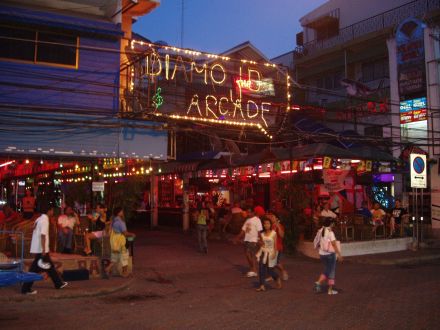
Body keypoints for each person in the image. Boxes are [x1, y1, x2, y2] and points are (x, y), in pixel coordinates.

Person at [21, 206, 67, 294]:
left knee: (49, 266)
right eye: (52, 209)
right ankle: (25, 288)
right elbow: (43, 235)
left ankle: (58, 283)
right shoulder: (45, 220)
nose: (53, 211)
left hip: (40, 248)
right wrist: (43, 250)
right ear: (49, 210)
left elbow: (35, 229)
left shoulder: (39, 219)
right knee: (35, 269)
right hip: (41, 249)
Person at [314, 217, 343, 295]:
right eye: (333, 223)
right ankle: (330, 290)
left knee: (327, 269)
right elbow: (333, 244)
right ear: (331, 224)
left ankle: (318, 283)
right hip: (330, 254)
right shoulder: (330, 232)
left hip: (322, 254)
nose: (334, 224)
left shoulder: (320, 230)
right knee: (331, 271)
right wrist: (339, 254)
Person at [104, 207, 135, 278]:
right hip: (120, 242)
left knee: (115, 257)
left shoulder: (113, 221)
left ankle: (107, 269)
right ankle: (125, 273)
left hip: (114, 242)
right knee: (125, 257)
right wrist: (132, 234)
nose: (123, 213)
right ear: (119, 213)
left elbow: (109, 231)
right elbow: (125, 233)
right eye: (122, 211)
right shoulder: (121, 222)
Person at [233, 208, 262, 277]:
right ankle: (253, 269)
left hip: (253, 240)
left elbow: (259, 231)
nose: (248, 214)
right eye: (247, 212)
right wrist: (237, 238)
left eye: (249, 212)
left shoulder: (257, 220)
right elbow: (243, 230)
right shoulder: (247, 220)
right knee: (247, 255)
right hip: (247, 239)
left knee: (251, 255)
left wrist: (260, 240)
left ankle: (254, 270)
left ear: (253, 212)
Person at [255, 218, 281, 292]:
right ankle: (262, 285)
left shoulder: (274, 233)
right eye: (265, 224)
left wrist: (274, 254)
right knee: (261, 268)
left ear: (270, 225)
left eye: (268, 223)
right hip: (263, 252)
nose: (266, 225)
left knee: (270, 271)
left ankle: (277, 277)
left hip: (271, 253)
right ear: (263, 225)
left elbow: (275, 246)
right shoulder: (262, 234)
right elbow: (259, 244)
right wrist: (259, 242)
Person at [267, 212, 288, 281]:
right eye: (270, 216)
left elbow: (282, 235)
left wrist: (278, 226)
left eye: (272, 216)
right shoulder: (271, 226)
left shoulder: (279, 226)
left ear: (276, 218)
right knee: (269, 262)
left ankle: (283, 271)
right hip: (271, 247)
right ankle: (272, 276)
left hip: (277, 247)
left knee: (276, 263)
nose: (270, 217)